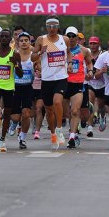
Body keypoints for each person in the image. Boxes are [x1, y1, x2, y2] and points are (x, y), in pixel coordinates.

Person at [31, 16, 73, 150]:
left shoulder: (64, 39)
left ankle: (60, 129)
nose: (52, 28)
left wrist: (70, 63)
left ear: (58, 27)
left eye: (55, 26)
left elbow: (69, 53)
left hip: (61, 77)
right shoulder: (41, 39)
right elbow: (33, 57)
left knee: (57, 102)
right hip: (47, 79)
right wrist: (40, 52)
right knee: (49, 110)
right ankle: (53, 133)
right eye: (49, 26)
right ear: (46, 27)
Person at [63, 26, 92, 149]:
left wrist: (90, 72)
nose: (71, 38)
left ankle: (72, 136)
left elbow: (89, 62)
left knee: (75, 111)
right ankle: (72, 127)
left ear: (77, 37)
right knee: (65, 113)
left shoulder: (84, 50)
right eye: (68, 36)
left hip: (78, 83)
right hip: (63, 83)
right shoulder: (61, 49)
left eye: (73, 36)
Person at [13, 32, 35, 149]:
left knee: (26, 114)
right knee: (15, 117)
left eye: (26, 40)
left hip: (27, 87)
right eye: (21, 40)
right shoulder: (13, 55)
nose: (24, 42)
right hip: (14, 87)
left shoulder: (33, 56)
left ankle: (22, 138)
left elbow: (39, 67)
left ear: (30, 42)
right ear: (18, 42)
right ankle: (14, 124)